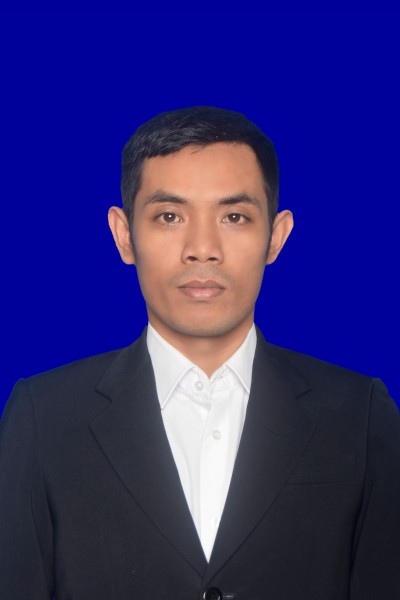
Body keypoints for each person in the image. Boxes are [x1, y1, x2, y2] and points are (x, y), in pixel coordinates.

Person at [0, 106, 399, 600]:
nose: (202, 248)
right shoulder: (43, 416)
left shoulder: (359, 414)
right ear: (125, 235)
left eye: (234, 217)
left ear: (275, 237)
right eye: (170, 216)